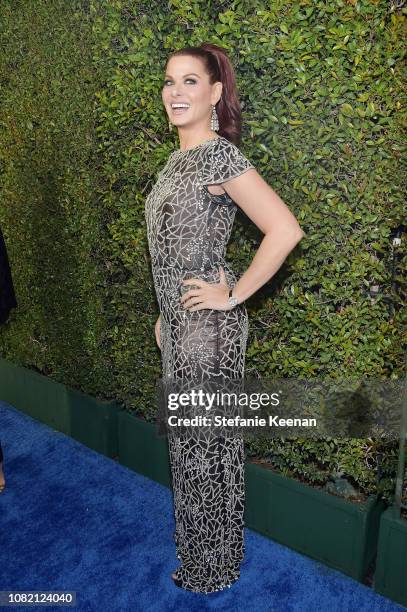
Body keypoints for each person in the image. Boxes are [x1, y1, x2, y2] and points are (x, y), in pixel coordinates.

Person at [144, 42, 305, 593]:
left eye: (190, 81)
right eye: (169, 81)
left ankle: (210, 569)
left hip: (209, 336)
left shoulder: (218, 155)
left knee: (205, 454)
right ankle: (206, 553)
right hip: (182, 330)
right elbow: (172, 249)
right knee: (192, 450)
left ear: (215, 94)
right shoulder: (178, 159)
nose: (175, 92)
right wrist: (165, 313)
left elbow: (285, 230)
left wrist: (232, 295)